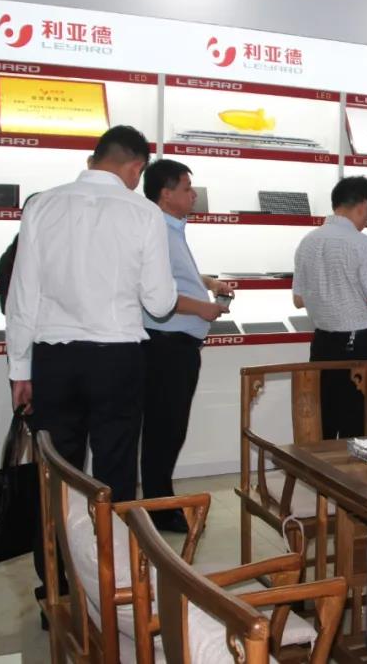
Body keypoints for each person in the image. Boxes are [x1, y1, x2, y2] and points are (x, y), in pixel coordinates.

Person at [6, 125, 176, 604]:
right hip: (116, 358)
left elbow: (23, 294)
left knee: (56, 477)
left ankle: (56, 593)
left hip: (53, 359)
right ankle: (109, 592)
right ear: (136, 167)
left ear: (93, 158)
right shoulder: (143, 212)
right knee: (114, 477)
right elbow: (160, 302)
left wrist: (20, 369)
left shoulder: (42, 205)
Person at [140, 159, 234, 533]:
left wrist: (207, 283)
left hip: (175, 346)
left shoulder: (171, 228)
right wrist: (203, 308)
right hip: (166, 346)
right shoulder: (157, 232)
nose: (194, 195)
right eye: (186, 188)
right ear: (166, 194)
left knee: (169, 428)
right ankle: (160, 509)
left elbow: (174, 276)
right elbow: (155, 293)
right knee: (164, 429)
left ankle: (160, 501)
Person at [293, 176, 367, 439]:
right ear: (364, 205)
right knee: (355, 431)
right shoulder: (362, 243)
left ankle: (324, 468)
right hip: (358, 348)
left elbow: (299, 299)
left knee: (324, 427)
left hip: (322, 344)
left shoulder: (307, 242)